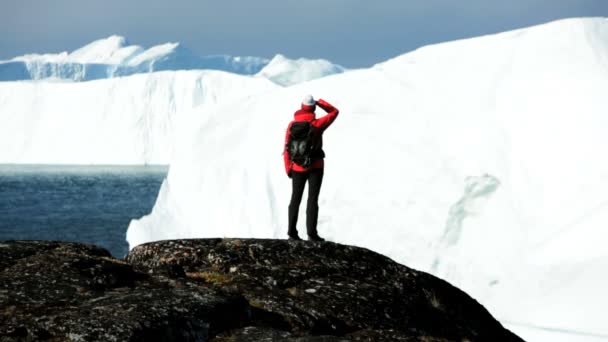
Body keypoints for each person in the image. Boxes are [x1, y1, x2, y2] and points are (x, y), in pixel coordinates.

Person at [283, 94, 339, 241]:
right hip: (316, 166)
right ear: (313, 108)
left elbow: (286, 147)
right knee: (312, 199)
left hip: (297, 168)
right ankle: (312, 234)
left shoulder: (291, 125)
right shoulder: (318, 124)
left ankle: (292, 233)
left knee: (295, 199)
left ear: (301, 108)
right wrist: (320, 102)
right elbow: (334, 112)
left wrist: (288, 168)